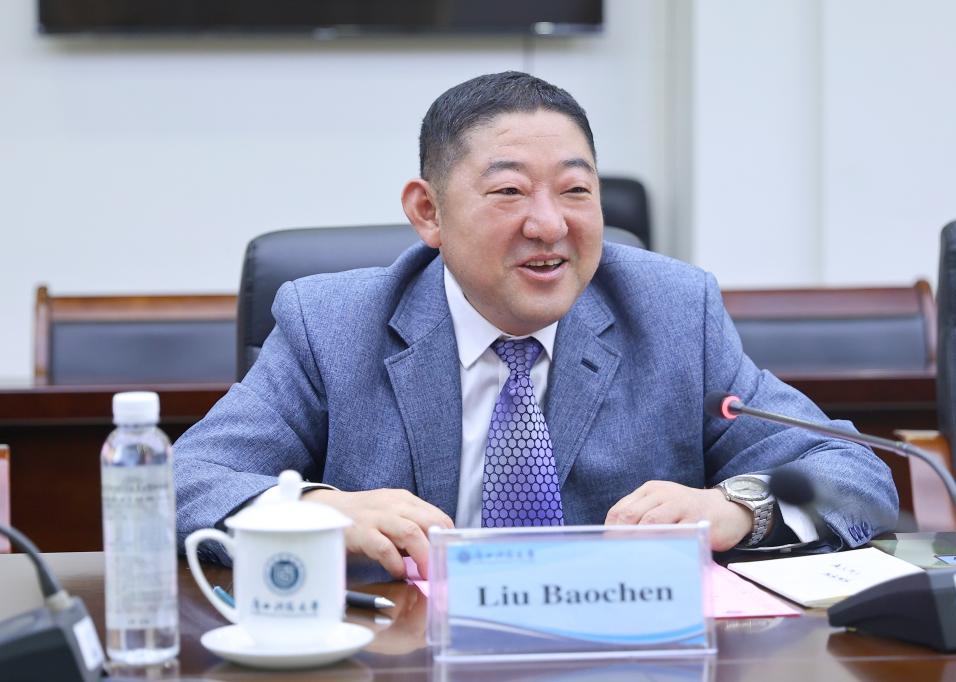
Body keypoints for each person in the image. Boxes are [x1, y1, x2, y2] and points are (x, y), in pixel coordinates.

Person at [174, 71, 898, 580]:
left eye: (576, 190)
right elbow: (185, 480)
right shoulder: (332, 325)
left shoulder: (675, 312)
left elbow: (853, 475)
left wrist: (736, 507)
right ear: (428, 211)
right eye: (510, 191)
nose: (549, 224)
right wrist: (320, 511)